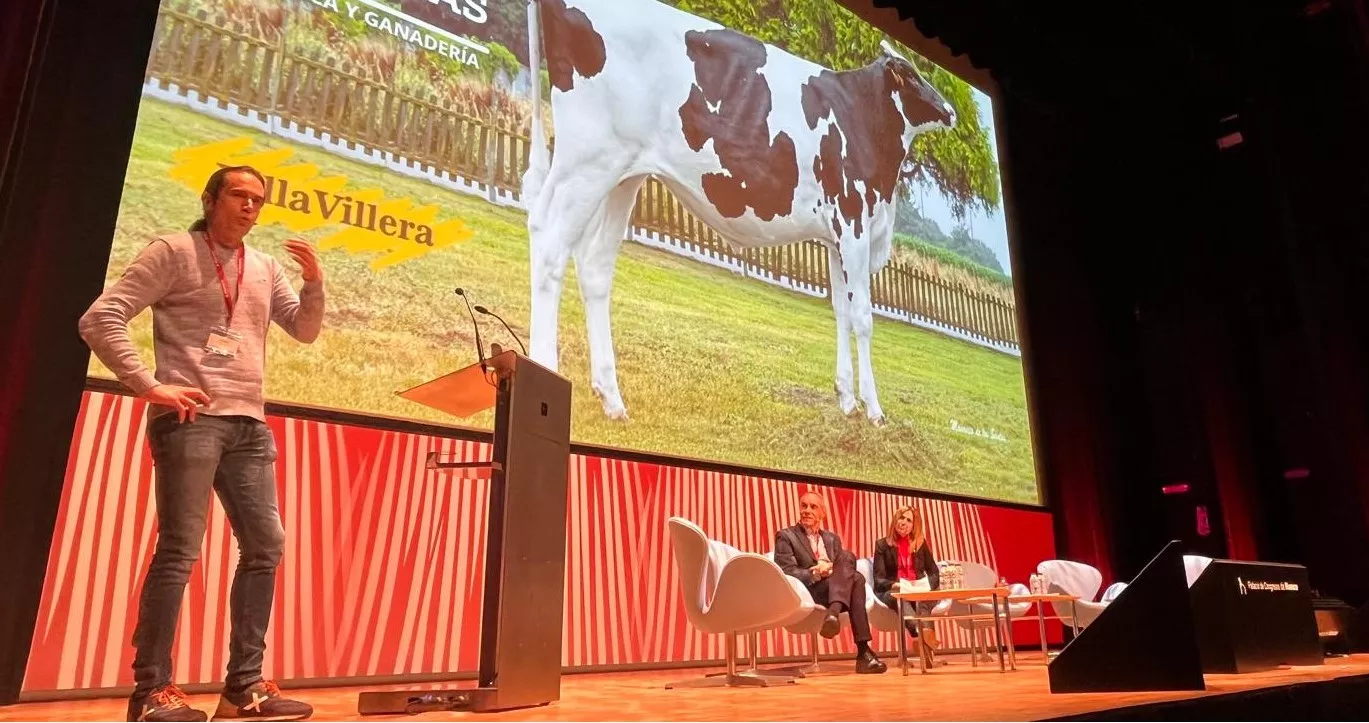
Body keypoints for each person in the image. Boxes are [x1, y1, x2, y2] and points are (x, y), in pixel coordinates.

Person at [79, 165, 325, 722]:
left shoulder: (263, 267)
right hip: (190, 419)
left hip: (248, 425)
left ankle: (245, 687)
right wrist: (148, 384)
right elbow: (101, 318)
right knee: (180, 551)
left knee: (266, 546)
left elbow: (303, 330)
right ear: (211, 198)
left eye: (258, 200)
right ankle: (151, 692)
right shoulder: (173, 251)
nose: (250, 207)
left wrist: (313, 283)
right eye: (239, 195)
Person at [773, 492, 887, 674]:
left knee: (850, 562)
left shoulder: (832, 539)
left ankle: (833, 614)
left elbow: (843, 568)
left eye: (813, 507)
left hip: (834, 589)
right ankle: (863, 652)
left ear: (822, 514)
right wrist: (816, 571)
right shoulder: (786, 536)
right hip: (810, 589)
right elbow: (786, 571)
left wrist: (831, 569)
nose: (807, 511)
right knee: (857, 580)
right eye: (804, 506)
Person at [872, 505, 942, 663]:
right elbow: (878, 580)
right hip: (895, 591)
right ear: (895, 520)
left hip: (917, 590)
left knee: (924, 600)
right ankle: (920, 635)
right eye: (901, 518)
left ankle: (925, 648)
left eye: (908, 520)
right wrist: (895, 585)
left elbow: (934, 573)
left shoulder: (920, 544)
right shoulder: (882, 545)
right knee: (901, 598)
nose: (903, 522)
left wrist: (925, 585)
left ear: (913, 526)